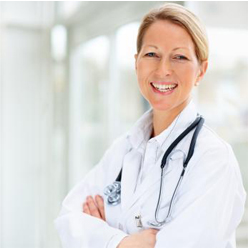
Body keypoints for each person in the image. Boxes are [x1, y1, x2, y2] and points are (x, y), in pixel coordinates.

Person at [55, 3, 246, 248]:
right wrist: (123, 242)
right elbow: (68, 219)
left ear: (201, 71)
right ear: (137, 63)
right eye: (152, 54)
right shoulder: (124, 149)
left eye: (179, 57)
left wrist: (100, 235)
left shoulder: (213, 159)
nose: (163, 69)